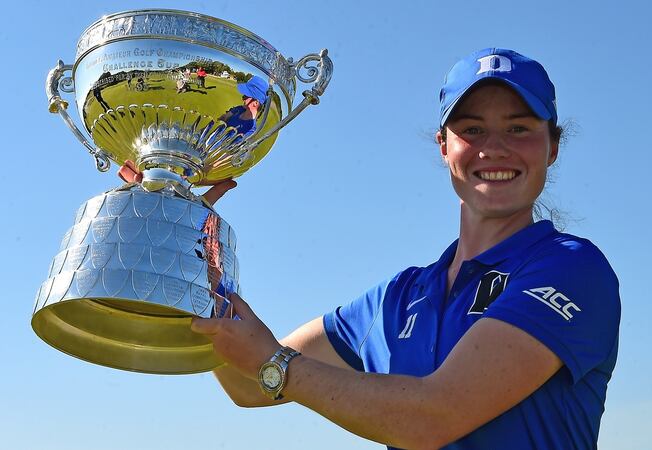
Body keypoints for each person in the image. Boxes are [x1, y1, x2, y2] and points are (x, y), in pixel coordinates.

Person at [189, 48, 621, 449]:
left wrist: (280, 367)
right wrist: (187, 254)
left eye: (519, 128)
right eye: (472, 129)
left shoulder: (570, 268)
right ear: (444, 146)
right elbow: (249, 384)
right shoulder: (397, 297)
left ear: (553, 147)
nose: (494, 148)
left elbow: (435, 414)